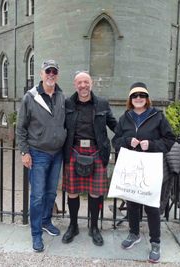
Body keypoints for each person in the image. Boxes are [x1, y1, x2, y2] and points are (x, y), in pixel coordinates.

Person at [112, 82, 175, 263]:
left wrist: (153, 145)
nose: (138, 98)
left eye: (142, 95)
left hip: (151, 166)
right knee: (132, 201)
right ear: (130, 99)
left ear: (147, 98)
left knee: (151, 205)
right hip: (131, 165)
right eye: (134, 95)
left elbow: (170, 139)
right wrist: (126, 141)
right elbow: (115, 141)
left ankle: (155, 242)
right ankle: (134, 233)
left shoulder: (158, 117)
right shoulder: (125, 118)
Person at [16, 59, 67, 252]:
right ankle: (36, 234)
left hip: (57, 153)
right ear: (41, 74)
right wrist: (24, 152)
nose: (51, 74)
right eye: (48, 71)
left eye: (54, 71)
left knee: (51, 192)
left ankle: (46, 221)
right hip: (38, 153)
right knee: (37, 196)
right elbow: (20, 128)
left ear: (57, 74)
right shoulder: (30, 97)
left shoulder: (62, 96)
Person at [61, 71, 117, 246]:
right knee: (72, 191)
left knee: (95, 192)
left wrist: (131, 137)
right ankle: (73, 225)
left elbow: (115, 125)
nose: (83, 86)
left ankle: (94, 227)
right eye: (80, 82)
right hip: (74, 151)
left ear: (91, 83)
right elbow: (56, 124)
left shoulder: (102, 103)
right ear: (75, 85)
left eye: (86, 82)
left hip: (96, 151)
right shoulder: (67, 103)